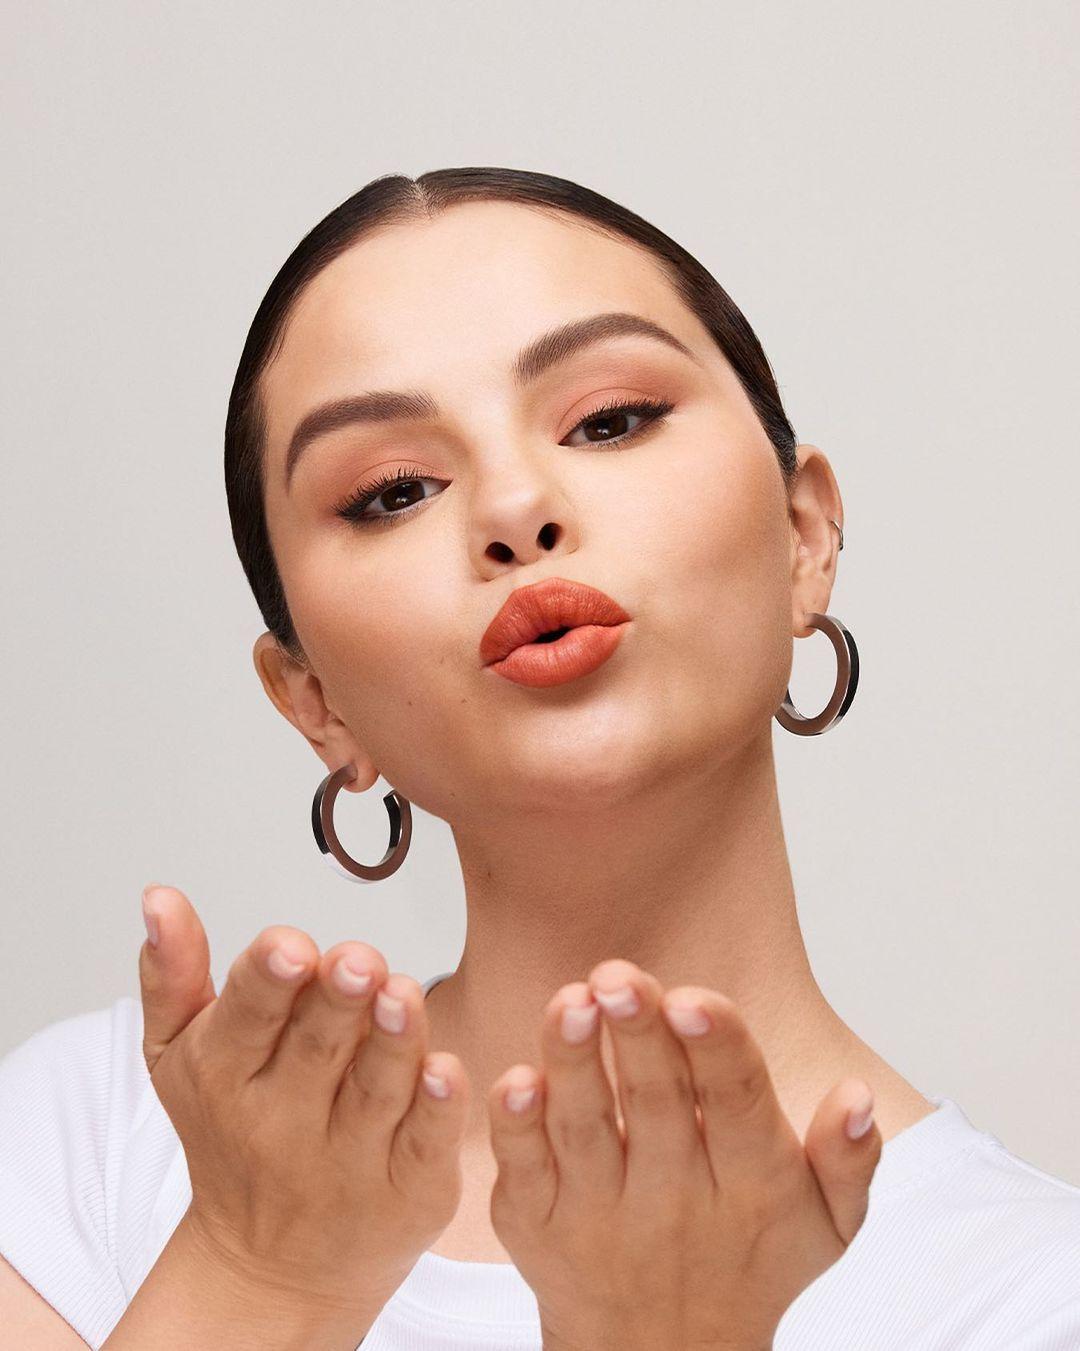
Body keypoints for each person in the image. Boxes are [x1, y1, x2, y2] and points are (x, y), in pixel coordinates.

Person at [2, 166, 1079, 1349]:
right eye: (392, 491)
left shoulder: (1035, 1294)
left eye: (608, 419)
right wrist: (259, 1271)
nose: (516, 508)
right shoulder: (92, 1147)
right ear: (314, 700)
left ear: (802, 536)